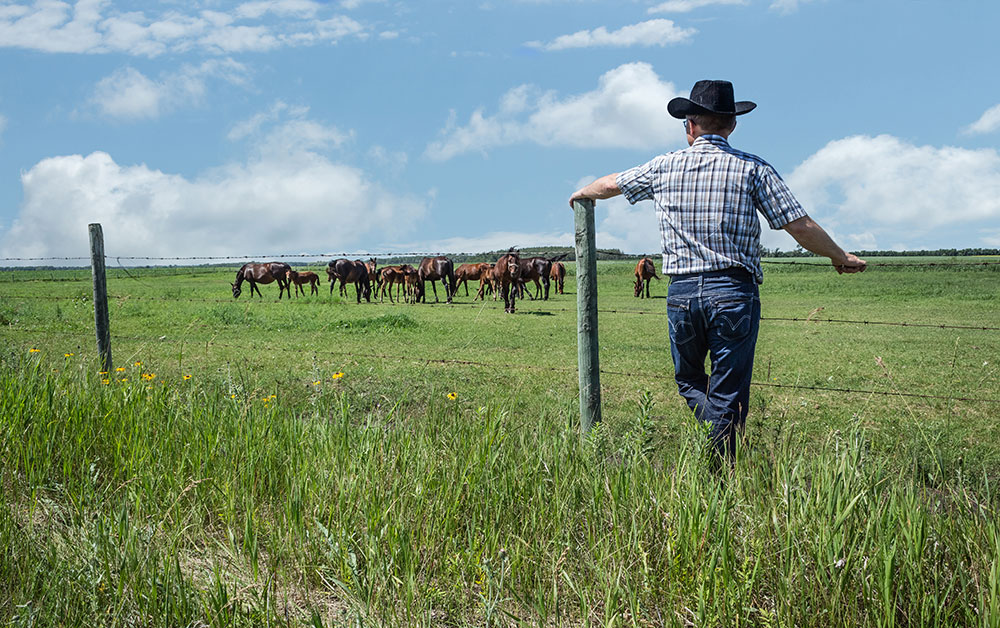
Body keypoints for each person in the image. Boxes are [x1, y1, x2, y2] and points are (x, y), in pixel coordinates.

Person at [569, 79, 866, 460]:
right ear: (732, 124)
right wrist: (840, 256)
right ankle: (719, 471)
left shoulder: (664, 167)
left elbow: (611, 184)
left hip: (681, 293)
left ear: (689, 126)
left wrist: (581, 194)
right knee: (728, 392)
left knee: (689, 379)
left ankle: (716, 456)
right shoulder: (753, 168)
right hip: (732, 291)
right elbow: (799, 225)